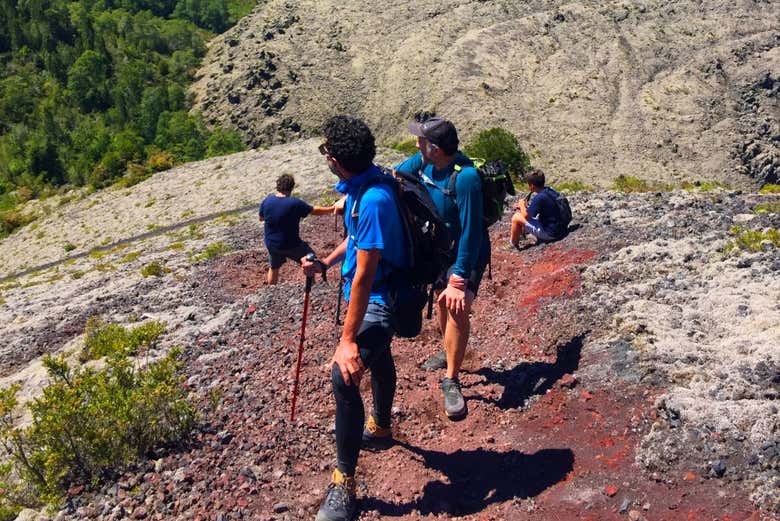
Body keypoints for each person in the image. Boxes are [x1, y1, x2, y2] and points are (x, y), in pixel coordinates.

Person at [302, 116, 408, 521]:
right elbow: (358, 237)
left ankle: (343, 481)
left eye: (326, 151)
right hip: (373, 294)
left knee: (343, 375)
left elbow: (365, 274)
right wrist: (328, 262)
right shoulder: (364, 187)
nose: (325, 157)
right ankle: (380, 426)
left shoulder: (374, 199)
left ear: (337, 160)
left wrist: (346, 340)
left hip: (382, 299)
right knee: (379, 358)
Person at [394, 116, 489, 420]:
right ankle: (449, 351)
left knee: (456, 308)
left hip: (466, 253)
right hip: (440, 250)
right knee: (440, 305)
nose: (415, 144)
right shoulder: (424, 163)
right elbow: (395, 175)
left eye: (421, 140)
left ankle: (452, 379)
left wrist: (460, 277)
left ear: (435, 148)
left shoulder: (466, 178)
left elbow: (472, 231)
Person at [258, 174, 333, 284]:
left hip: (272, 244)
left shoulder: (267, 201)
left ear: (277, 186)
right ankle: (311, 285)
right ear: (292, 187)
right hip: (291, 244)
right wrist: (331, 209)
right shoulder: (295, 203)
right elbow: (314, 211)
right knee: (309, 258)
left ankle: (271, 289)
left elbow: (261, 218)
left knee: (274, 267)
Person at [510, 169, 566, 247]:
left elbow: (526, 216)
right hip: (561, 229)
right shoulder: (549, 191)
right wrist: (524, 207)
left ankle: (513, 244)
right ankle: (523, 236)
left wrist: (521, 205)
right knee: (525, 215)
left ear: (532, 186)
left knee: (516, 217)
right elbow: (531, 213)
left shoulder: (540, 197)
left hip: (551, 233)